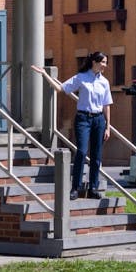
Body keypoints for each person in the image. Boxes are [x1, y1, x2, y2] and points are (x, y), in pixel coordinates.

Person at [40, 51, 112, 200]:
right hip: (83, 118)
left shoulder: (104, 82)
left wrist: (108, 126)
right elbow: (61, 88)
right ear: (94, 62)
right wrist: (44, 75)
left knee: (97, 155)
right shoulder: (81, 77)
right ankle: (75, 188)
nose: (105, 65)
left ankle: (93, 187)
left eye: (106, 62)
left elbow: (106, 105)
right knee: (81, 151)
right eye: (103, 62)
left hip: (99, 120)